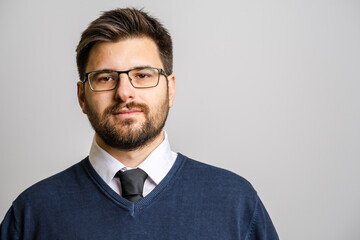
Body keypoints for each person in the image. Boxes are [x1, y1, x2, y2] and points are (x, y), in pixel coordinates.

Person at [0, 8, 279, 239]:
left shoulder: (235, 202)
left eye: (143, 75)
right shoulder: (33, 213)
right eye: (105, 77)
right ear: (82, 97)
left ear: (170, 89)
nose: (124, 92)